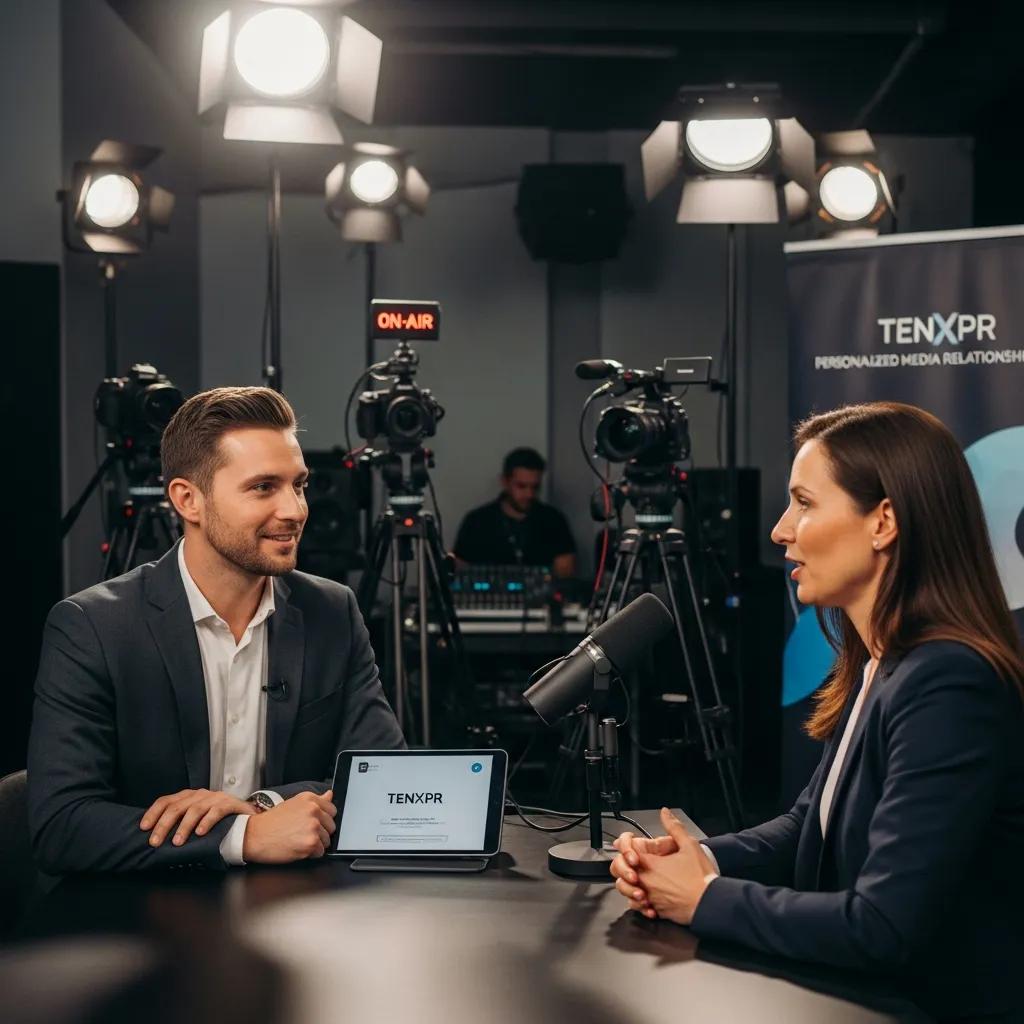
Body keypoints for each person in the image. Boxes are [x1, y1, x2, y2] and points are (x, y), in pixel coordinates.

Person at [610, 402, 1024, 1022]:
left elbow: (881, 927)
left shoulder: (949, 681)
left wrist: (702, 899)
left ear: (883, 521)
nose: (781, 530)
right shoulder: (879, 659)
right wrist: (698, 859)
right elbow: (812, 824)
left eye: (804, 503)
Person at [28, 387, 404, 873]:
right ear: (189, 500)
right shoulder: (91, 627)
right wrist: (240, 838)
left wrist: (263, 805)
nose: (294, 510)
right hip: (141, 913)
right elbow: (62, 825)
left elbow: (385, 780)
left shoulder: (332, 610)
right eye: (264, 487)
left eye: (299, 485)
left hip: (301, 911)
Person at [453, 447, 576, 577]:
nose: (529, 494)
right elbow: (459, 568)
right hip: (490, 596)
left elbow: (565, 573)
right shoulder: (477, 521)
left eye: (535, 487)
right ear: (505, 482)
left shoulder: (553, 520)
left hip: (542, 597)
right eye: (521, 486)